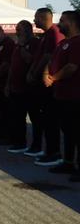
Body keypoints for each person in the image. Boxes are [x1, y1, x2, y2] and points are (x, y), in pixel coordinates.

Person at [43, 10, 80, 179]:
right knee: (68, 131)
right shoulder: (63, 43)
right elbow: (51, 61)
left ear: (72, 23)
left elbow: (72, 67)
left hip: (75, 96)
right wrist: (46, 74)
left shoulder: (77, 43)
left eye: (62, 21)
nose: (59, 24)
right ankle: (68, 162)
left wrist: (53, 78)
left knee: (77, 131)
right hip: (62, 95)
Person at [28, 8, 65, 163]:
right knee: (46, 119)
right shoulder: (46, 35)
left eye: (36, 18)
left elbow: (49, 57)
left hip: (49, 84)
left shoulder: (54, 33)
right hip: (40, 83)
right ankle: (49, 150)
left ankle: (54, 153)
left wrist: (37, 72)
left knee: (51, 119)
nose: (34, 21)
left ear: (43, 18)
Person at [6, 21, 41, 153]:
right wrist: (8, 84)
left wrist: (22, 47)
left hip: (29, 88)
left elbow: (30, 60)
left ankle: (36, 145)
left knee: (34, 118)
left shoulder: (34, 43)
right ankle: (19, 142)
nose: (17, 32)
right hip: (15, 87)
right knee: (17, 117)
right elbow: (12, 65)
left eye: (19, 30)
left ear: (27, 30)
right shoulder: (17, 44)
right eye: (16, 29)